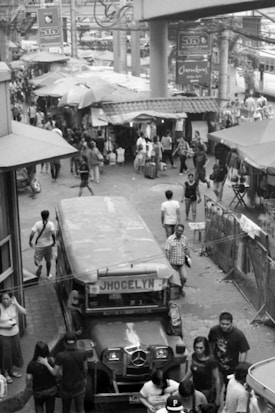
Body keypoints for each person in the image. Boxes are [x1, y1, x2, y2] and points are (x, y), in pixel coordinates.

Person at [40, 331, 88, 413]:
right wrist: (84, 378)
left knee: (66, 409)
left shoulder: (60, 356)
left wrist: (46, 363)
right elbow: (85, 368)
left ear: (64, 343)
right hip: (79, 386)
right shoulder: (82, 353)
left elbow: (55, 373)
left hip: (66, 388)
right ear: (76, 342)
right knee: (80, 409)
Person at [208, 312, 250, 391]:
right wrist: (211, 356)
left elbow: (244, 350)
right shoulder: (214, 330)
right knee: (216, 385)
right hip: (217, 365)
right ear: (219, 322)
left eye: (227, 324)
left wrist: (240, 366)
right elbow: (210, 342)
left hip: (231, 368)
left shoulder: (238, 334)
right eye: (222, 324)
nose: (224, 326)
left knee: (230, 387)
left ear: (231, 323)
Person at [181, 337, 221, 407]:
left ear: (205, 348)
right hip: (195, 389)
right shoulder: (194, 356)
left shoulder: (211, 361)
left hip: (207, 391)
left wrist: (218, 397)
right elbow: (191, 370)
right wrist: (182, 382)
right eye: (196, 348)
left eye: (201, 348)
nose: (198, 350)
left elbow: (217, 379)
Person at [0, 291, 26, 383]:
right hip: (4, 335)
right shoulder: (0, 307)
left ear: (11, 298)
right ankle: (5, 372)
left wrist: (16, 303)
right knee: (5, 355)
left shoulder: (13, 305)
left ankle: (11, 370)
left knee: (14, 353)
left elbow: (24, 312)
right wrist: (5, 326)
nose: (6, 301)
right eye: (4, 299)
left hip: (14, 333)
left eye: (7, 298)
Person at [26, 341, 57, 413]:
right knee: (50, 408)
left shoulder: (31, 364)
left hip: (38, 391)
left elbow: (28, 378)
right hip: (51, 389)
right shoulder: (51, 360)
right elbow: (56, 372)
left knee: (38, 406)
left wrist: (29, 387)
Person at [29, 210, 56, 279]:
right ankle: (48, 275)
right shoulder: (51, 224)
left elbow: (32, 233)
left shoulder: (37, 224)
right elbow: (53, 234)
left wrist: (30, 241)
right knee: (48, 260)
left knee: (36, 260)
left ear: (41, 216)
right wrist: (54, 241)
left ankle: (39, 265)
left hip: (40, 245)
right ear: (48, 216)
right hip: (48, 245)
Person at [165, 224, 191, 295]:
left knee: (184, 278)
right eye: (178, 230)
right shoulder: (170, 239)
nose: (180, 232)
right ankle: (169, 293)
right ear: (176, 230)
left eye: (181, 231)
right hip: (173, 264)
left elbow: (186, 249)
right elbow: (167, 252)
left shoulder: (184, 239)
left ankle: (180, 290)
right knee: (171, 280)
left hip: (181, 263)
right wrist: (168, 264)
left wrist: (189, 257)